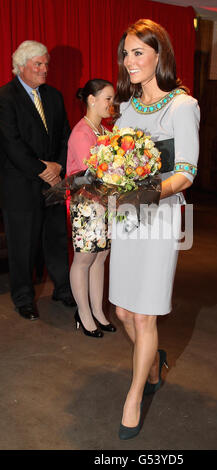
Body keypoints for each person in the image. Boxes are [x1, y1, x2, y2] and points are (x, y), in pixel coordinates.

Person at [109, 19, 200, 439]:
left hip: (160, 218)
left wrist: (145, 195)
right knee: (122, 311)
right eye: (126, 53)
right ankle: (153, 360)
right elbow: (113, 163)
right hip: (126, 218)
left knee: (144, 315)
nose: (129, 61)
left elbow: (185, 173)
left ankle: (135, 394)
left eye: (138, 53)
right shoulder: (127, 108)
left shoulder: (182, 106)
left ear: (159, 56)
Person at [0, 40, 75, 321]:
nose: (45, 69)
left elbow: (65, 136)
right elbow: (11, 143)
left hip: (53, 181)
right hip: (20, 186)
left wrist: (58, 166)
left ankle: (63, 289)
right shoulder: (5, 98)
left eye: (46, 64)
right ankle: (23, 298)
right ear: (21, 67)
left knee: (55, 238)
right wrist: (40, 169)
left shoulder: (54, 96)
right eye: (38, 65)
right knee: (23, 245)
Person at [67, 79, 116, 337]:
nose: (111, 104)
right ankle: (83, 314)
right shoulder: (81, 133)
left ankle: (98, 311)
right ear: (91, 100)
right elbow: (93, 175)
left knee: (101, 256)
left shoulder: (104, 131)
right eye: (107, 98)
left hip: (106, 204)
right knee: (84, 258)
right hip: (86, 205)